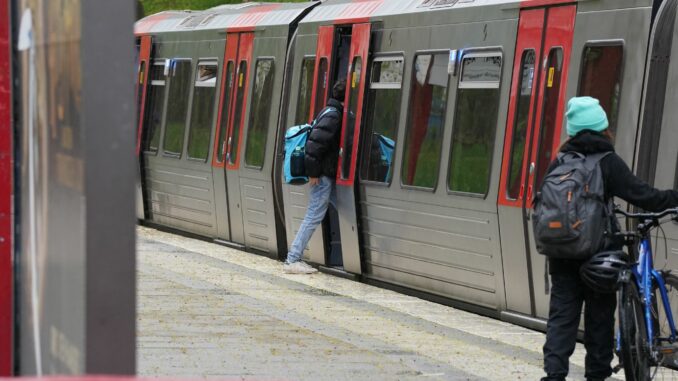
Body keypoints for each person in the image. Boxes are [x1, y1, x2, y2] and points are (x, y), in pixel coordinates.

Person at [541, 96, 678, 381]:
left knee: (561, 320)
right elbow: (644, 196)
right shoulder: (608, 161)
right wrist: (674, 199)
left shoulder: (559, 161)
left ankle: (554, 376)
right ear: (603, 127)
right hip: (598, 257)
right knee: (599, 319)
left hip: (562, 254)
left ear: (573, 130)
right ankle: (596, 375)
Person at [283, 79, 346, 274]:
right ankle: (293, 259)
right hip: (322, 176)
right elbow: (314, 145)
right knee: (314, 215)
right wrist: (313, 173)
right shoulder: (334, 116)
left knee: (347, 207)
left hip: (325, 174)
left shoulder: (328, 111)